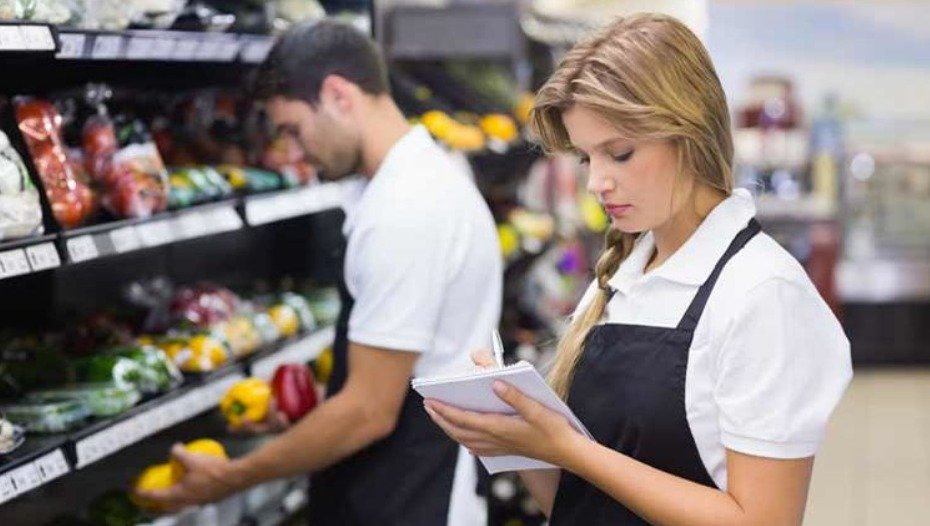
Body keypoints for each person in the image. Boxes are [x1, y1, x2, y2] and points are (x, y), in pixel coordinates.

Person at [424, 13, 852, 526]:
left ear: (688, 133)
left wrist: (569, 448)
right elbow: (580, 503)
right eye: (587, 159)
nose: (596, 183)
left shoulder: (761, 292)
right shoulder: (620, 276)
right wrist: (515, 436)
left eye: (619, 154)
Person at [140, 20, 501, 526]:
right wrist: (309, 423)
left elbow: (368, 412)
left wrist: (230, 477)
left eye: (293, 129)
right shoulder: (417, 181)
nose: (293, 153)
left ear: (338, 95)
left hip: (414, 496)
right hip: (402, 479)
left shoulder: (407, 209)